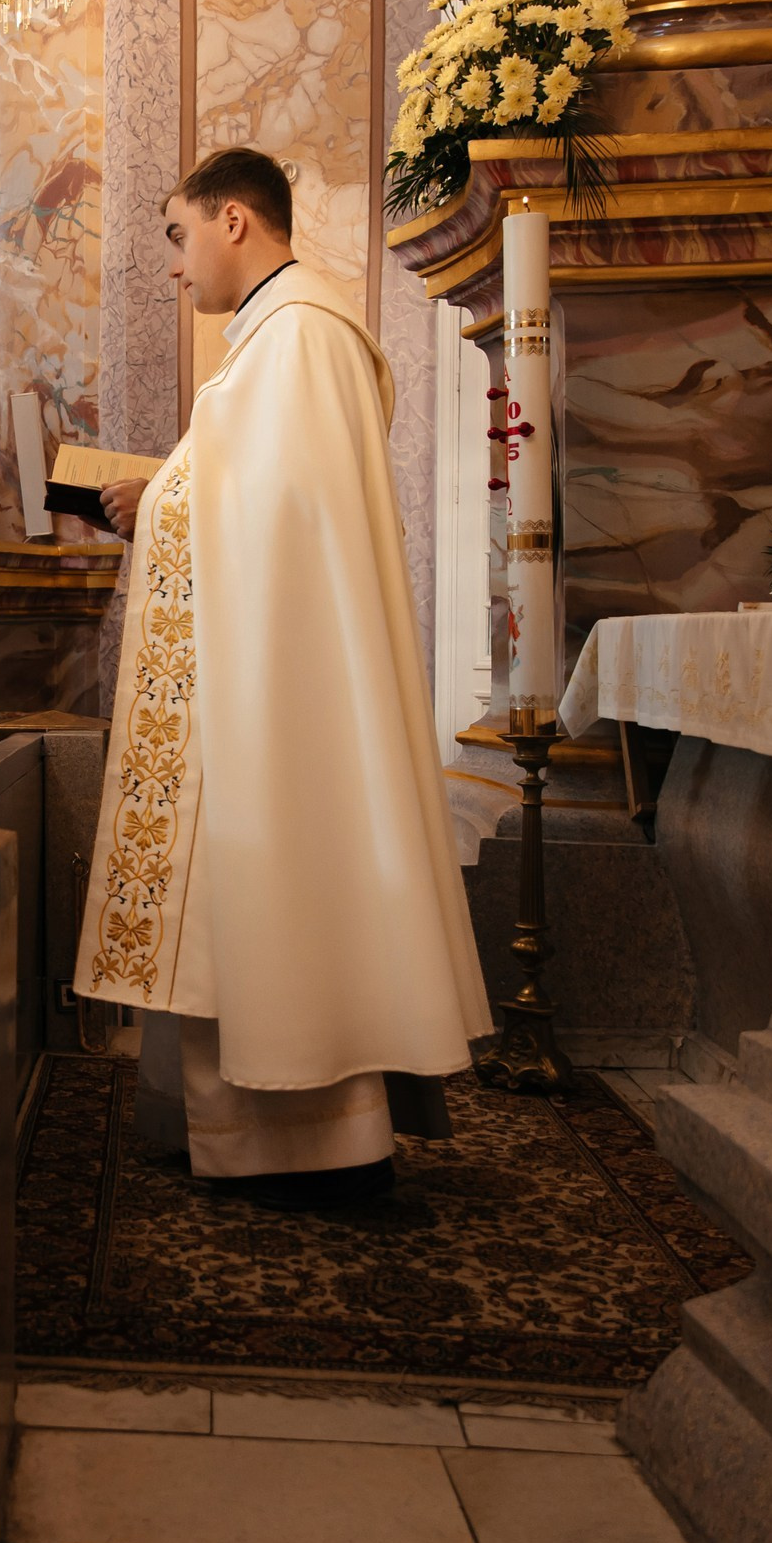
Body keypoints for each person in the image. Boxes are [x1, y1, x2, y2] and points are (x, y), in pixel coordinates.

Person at [75, 145, 490, 1209]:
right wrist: (164, 495)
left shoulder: (299, 338)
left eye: (180, 237)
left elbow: (273, 517)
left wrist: (157, 502)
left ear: (234, 222)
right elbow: (264, 504)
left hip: (284, 698)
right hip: (268, 674)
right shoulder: (276, 342)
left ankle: (314, 1145)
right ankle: (264, 1139)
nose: (176, 266)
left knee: (277, 898)